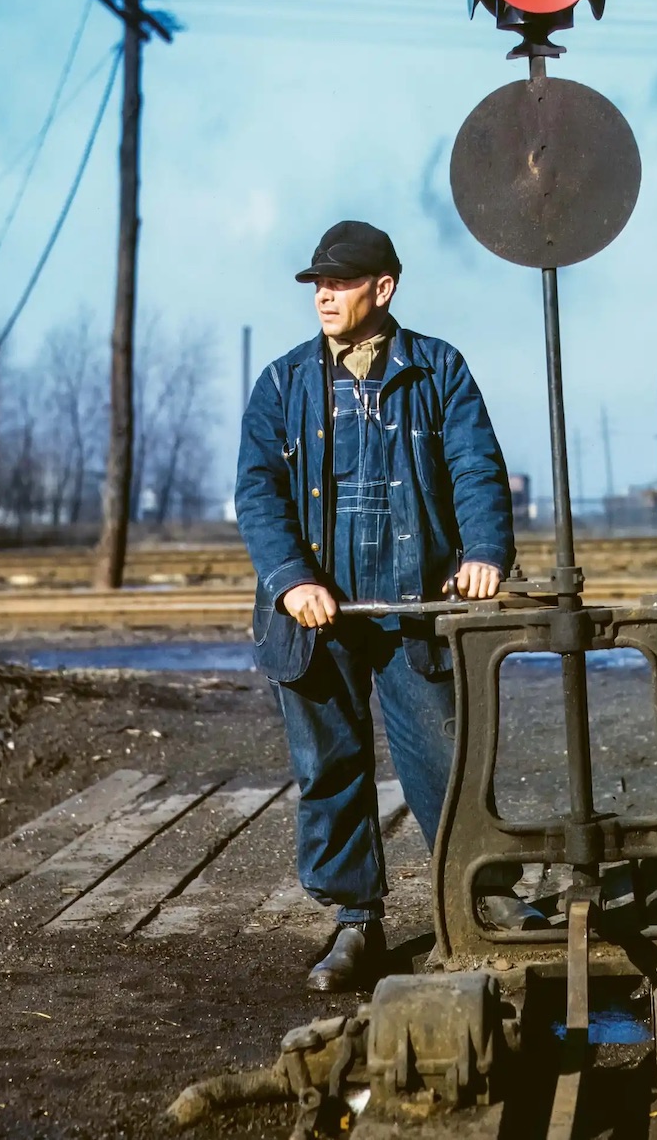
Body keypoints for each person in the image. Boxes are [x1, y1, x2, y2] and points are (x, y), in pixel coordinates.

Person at [235, 219, 515, 990]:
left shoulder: (438, 371)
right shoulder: (283, 384)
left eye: (340, 282)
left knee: (446, 762)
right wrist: (293, 580)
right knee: (329, 770)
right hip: (314, 621)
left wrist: (485, 553)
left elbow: (476, 468)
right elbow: (256, 492)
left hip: (411, 613)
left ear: (382, 289)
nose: (324, 295)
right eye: (317, 284)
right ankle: (356, 924)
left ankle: (483, 901)